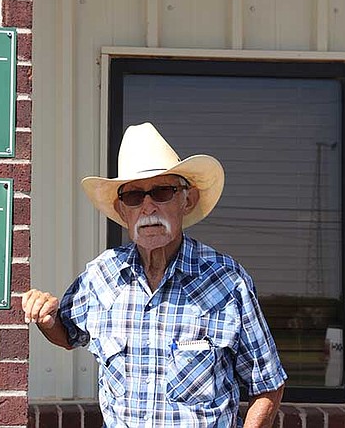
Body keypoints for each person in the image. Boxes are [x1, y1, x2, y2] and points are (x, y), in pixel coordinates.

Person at [22, 122, 287, 427]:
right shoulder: (101, 275)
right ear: (123, 211)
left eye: (162, 191)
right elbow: (67, 334)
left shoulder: (227, 281)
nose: (148, 207)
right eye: (134, 197)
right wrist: (46, 319)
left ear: (186, 201)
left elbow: (268, 384)